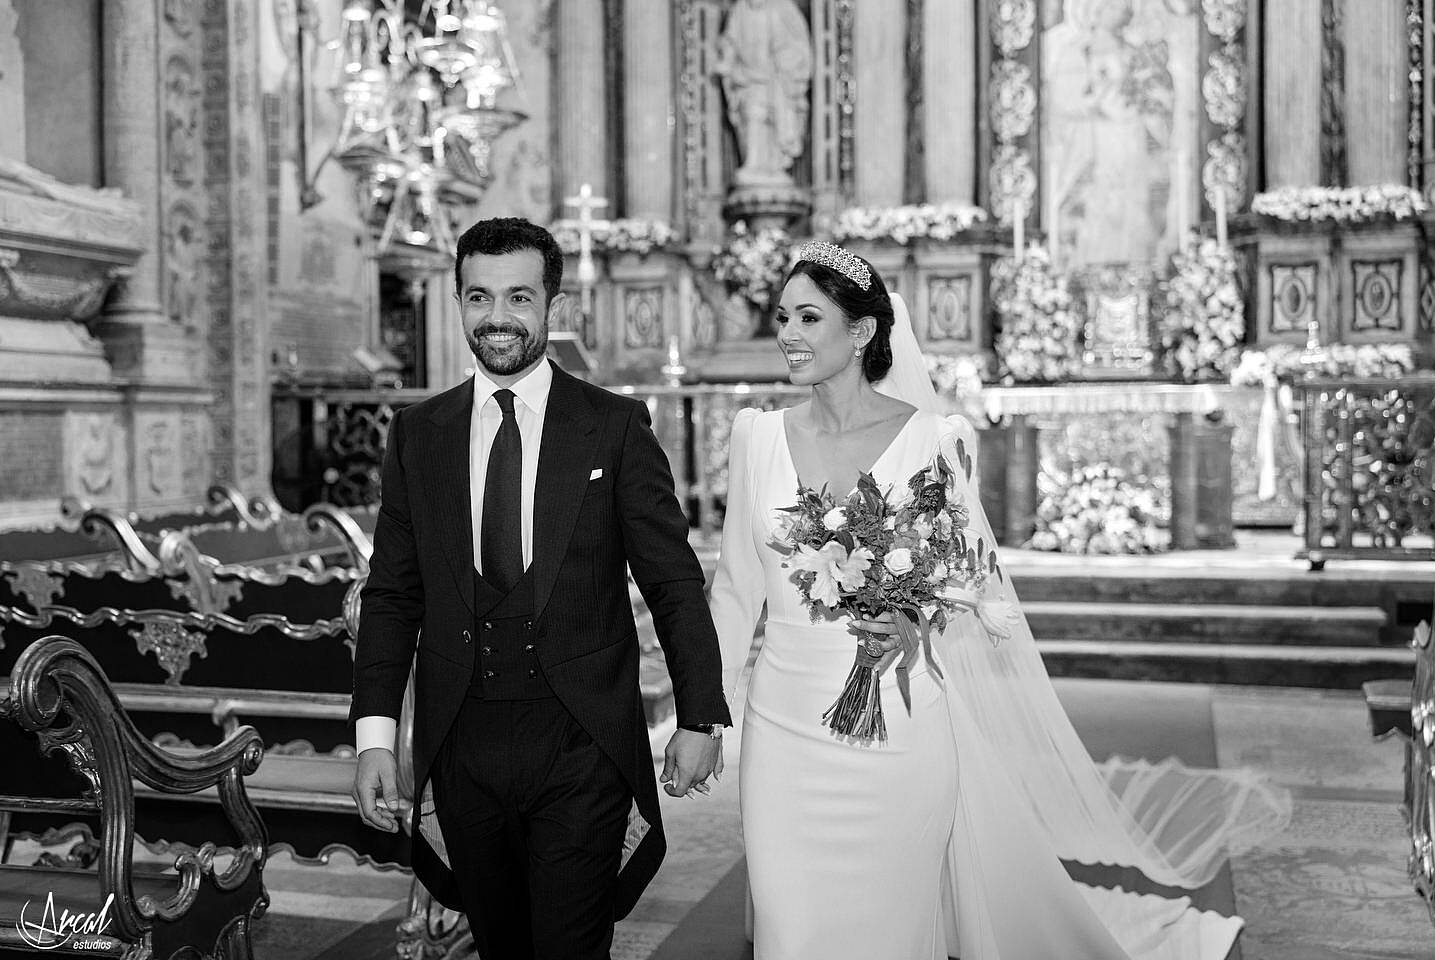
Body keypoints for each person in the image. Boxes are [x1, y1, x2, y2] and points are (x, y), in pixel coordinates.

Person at [707, 239, 1290, 959]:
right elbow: (734, 591)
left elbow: (965, 586)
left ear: (861, 332)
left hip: (900, 730)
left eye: (808, 318)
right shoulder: (756, 436)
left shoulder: (934, 439)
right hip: (782, 734)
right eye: (782, 317)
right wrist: (704, 717)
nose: (788, 335)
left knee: (887, 931)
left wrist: (912, 624)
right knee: (790, 933)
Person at [350, 217, 731, 960]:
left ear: (553, 309)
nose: (498, 318)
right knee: (500, 946)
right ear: (459, 303)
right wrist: (374, 737)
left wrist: (700, 716)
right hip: (462, 746)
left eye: (519, 298)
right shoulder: (418, 433)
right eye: (480, 298)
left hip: (580, 743)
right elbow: (393, 594)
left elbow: (673, 581)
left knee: (568, 945)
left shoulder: (613, 427)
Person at [713, 0, 813, 185]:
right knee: (753, 117)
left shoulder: (784, 8)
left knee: (774, 119)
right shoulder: (740, 10)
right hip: (749, 79)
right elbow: (730, 41)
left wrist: (784, 59)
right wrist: (727, 58)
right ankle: (753, 163)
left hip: (777, 80)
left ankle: (774, 166)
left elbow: (799, 44)